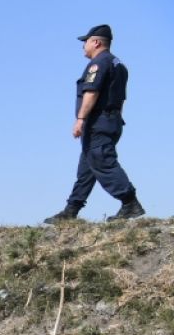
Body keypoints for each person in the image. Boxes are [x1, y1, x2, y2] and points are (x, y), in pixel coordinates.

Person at [45, 24, 144, 222]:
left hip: (98, 121)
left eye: (86, 41)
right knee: (87, 168)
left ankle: (130, 202)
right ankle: (71, 210)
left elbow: (92, 91)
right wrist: (115, 118)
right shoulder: (118, 65)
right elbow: (121, 98)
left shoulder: (98, 63)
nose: (83, 46)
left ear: (96, 42)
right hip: (111, 120)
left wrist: (80, 119)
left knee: (103, 162)